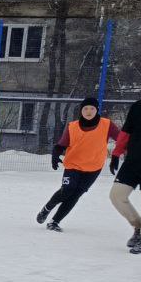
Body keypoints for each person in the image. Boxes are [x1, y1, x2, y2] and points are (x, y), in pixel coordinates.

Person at [35, 97, 120, 232]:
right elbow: (61, 144)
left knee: (76, 195)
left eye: (92, 108)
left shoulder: (107, 124)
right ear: (81, 111)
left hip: (93, 168)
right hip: (73, 166)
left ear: (97, 110)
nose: (88, 111)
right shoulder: (73, 126)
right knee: (67, 190)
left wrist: (116, 155)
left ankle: (54, 222)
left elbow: (122, 139)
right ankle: (47, 208)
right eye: (85, 108)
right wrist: (55, 155)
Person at [109, 74, 141, 254]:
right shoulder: (138, 107)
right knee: (117, 196)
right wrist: (116, 154)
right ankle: (139, 227)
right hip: (133, 161)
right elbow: (125, 133)